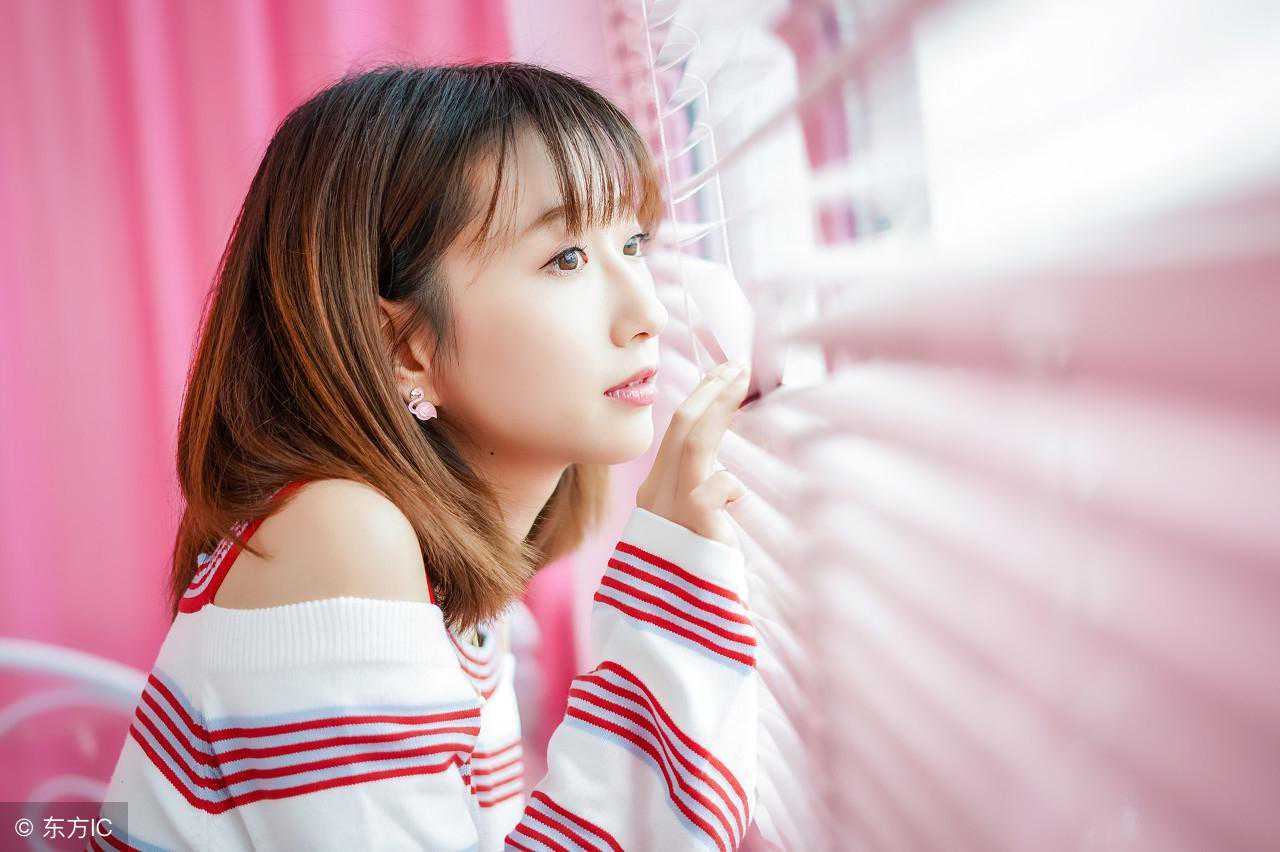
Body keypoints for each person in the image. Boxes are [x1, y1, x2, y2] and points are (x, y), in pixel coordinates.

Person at [94, 62, 757, 851]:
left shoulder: (456, 591)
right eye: (566, 259)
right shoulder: (340, 539)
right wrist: (674, 591)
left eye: (633, 243)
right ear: (404, 346)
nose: (647, 311)